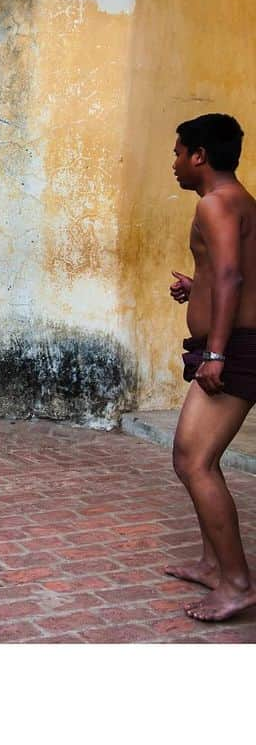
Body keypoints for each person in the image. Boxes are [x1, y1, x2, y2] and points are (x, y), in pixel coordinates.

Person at [166, 112, 256, 622]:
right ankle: (211, 563)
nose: (174, 163)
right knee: (201, 458)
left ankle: (238, 584)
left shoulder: (215, 203)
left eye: (179, 152)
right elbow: (228, 274)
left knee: (192, 460)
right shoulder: (242, 202)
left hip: (235, 349)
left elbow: (230, 276)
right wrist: (194, 289)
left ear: (199, 155)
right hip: (236, 341)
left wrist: (216, 352)